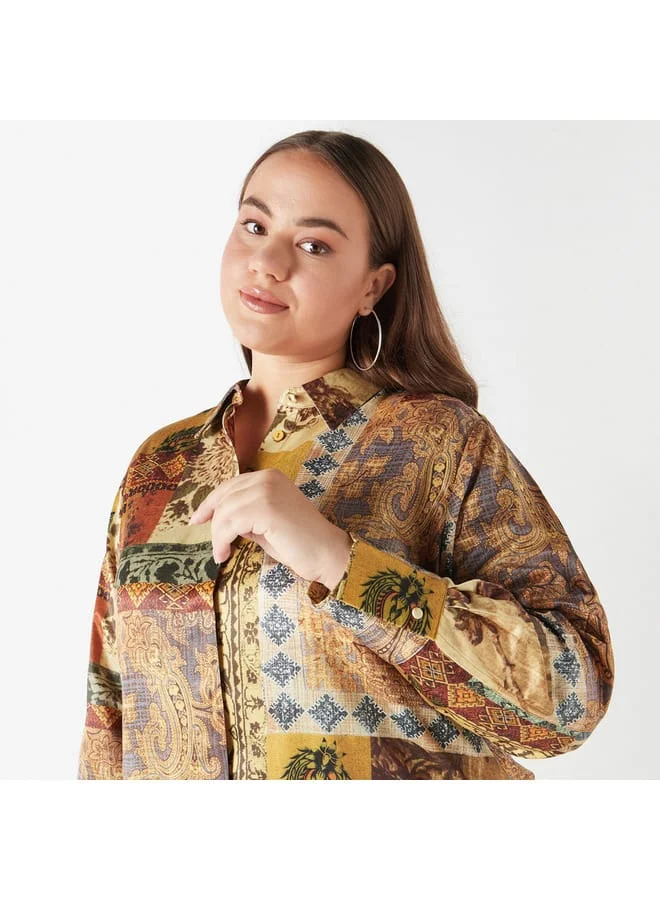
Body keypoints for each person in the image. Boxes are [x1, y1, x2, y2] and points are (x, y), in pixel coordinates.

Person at [78, 129, 615, 780]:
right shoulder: (161, 467)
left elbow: (571, 699)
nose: (268, 261)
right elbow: (108, 720)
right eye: (254, 225)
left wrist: (340, 561)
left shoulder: (440, 443)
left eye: (314, 245)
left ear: (373, 286)